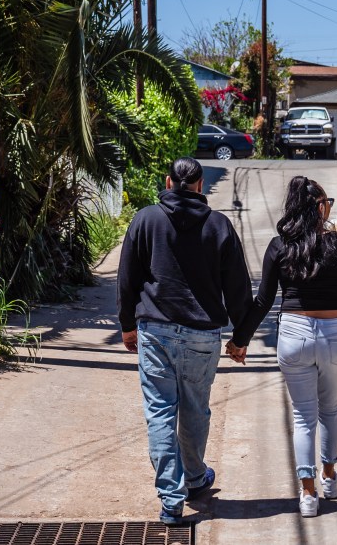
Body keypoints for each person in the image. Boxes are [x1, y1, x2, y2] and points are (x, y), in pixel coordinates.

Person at [118, 157, 252, 525]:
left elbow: (127, 277)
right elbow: (238, 288)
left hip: (155, 331)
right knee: (195, 410)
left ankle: (171, 499)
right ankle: (194, 478)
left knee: (160, 412)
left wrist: (128, 325)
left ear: (168, 181)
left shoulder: (146, 219)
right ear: (200, 184)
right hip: (202, 335)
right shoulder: (219, 225)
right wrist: (241, 337)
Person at [226, 175, 337, 518]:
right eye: (327, 201)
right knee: (329, 407)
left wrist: (239, 340)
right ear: (319, 207)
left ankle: (307, 496)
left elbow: (262, 302)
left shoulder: (279, 246)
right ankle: (329, 478)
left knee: (303, 417)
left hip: (294, 335)